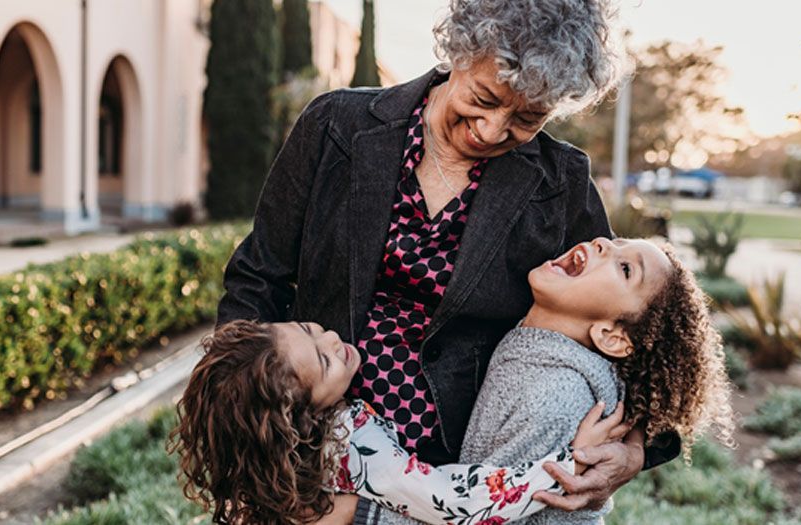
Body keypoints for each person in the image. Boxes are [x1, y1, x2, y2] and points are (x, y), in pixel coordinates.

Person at [216, 0, 678, 520]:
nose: (490, 130)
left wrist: (635, 449)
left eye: (528, 117)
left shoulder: (560, 183)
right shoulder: (336, 125)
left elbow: (646, 328)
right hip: (307, 453)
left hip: (458, 480)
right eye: (483, 97)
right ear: (459, 51)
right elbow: (259, 277)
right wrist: (237, 416)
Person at [176, 238, 734, 524]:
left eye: (308, 326)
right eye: (320, 358)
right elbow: (451, 501)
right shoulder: (349, 443)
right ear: (294, 412)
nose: (329, 337)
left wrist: (609, 454)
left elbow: (458, 503)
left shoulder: (554, 384)